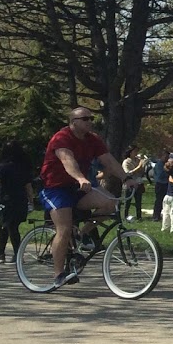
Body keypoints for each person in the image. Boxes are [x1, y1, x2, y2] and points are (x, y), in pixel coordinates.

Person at [37, 107, 133, 290]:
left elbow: (109, 161)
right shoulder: (61, 138)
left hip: (79, 188)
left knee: (110, 203)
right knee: (64, 229)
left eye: (92, 118)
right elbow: (68, 161)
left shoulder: (93, 139)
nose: (90, 121)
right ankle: (58, 274)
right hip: (55, 189)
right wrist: (80, 177)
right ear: (73, 122)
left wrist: (126, 178)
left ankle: (81, 234)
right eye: (85, 118)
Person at [122, 152, 147, 220]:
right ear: (130, 152)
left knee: (138, 201)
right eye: (134, 151)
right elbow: (128, 173)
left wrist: (143, 166)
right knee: (127, 201)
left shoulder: (138, 161)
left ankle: (139, 217)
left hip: (139, 183)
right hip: (130, 184)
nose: (136, 153)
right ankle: (125, 216)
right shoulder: (126, 162)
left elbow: (142, 173)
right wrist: (138, 167)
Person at [150, 151, 169, 220]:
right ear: (162, 156)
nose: (167, 158)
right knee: (159, 200)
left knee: (164, 201)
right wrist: (169, 173)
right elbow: (160, 175)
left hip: (165, 184)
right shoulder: (159, 165)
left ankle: (160, 215)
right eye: (166, 157)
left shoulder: (165, 164)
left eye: (168, 157)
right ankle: (156, 216)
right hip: (160, 184)